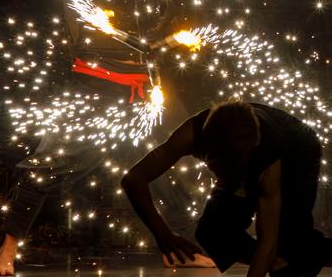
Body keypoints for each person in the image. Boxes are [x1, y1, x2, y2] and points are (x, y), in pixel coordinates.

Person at [0, 0, 269, 276]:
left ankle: (182, 247)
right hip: (96, 89)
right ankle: (6, 250)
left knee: (175, 169)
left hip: (143, 91)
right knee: (46, 166)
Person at [121, 100, 332, 277]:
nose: (228, 175)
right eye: (220, 167)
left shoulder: (270, 161)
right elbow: (133, 179)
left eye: (235, 168)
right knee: (212, 231)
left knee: (291, 241)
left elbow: (268, 240)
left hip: (298, 149)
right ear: (208, 150)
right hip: (252, 145)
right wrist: (162, 233)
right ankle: (287, 262)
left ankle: (297, 258)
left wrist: (270, 259)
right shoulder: (190, 135)